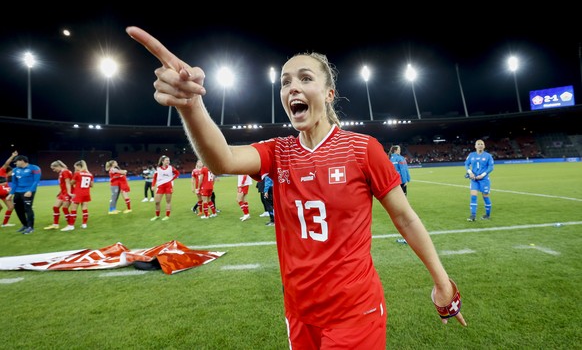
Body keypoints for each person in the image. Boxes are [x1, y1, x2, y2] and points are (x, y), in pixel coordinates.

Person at [127, 26, 466, 348]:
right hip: (299, 313)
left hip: (355, 314)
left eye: (306, 78)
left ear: (329, 93)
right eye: (285, 81)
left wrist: (441, 282)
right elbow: (223, 160)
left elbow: (405, 219)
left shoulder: (363, 149)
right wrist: (191, 105)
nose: (292, 87)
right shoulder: (279, 151)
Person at [464, 139, 494, 221]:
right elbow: (466, 164)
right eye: (478, 144)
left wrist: (482, 175)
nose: (480, 145)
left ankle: (487, 215)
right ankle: (473, 216)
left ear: (484, 146)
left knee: (485, 197)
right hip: (474, 179)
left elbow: (491, 167)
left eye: (482, 144)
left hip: (484, 180)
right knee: (473, 196)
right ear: (475, 146)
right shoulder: (471, 155)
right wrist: (470, 173)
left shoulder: (488, 156)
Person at [11, 155, 41, 235]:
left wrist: (30, 190)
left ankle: (30, 227)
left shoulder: (35, 168)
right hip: (18, 192)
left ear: (22, 161)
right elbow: (14, 183)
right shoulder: (15, 170)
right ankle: (25, 225)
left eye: (16, 161)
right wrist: (11, 194)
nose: (15, 163)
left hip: (28, 191)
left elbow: (36, 181)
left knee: (28, 208)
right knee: (18, 209)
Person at [62, 160, 94, 231]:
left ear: (79, 166)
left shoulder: (77, 173)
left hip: (78, 193)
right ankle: (84, 224)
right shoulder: (90, 174)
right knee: (84, 209)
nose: (75, 169)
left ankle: (71, 226)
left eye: (75, 167)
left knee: (73, 209)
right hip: (86, 193)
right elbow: (91, 185)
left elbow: (71, 183)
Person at [44, 160, 73, 230]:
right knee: (55, 207)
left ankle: (70, 225)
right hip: (63, 193)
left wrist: (69, 193)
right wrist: (60, 192)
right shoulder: (62, 172)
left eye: (54, 168)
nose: (54, 170)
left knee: (65, 208)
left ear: (58, 166)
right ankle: (55, 224)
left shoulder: (65, 172)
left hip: (67, 192)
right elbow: (63, 184)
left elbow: (68, 183)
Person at [150, 155, 180, 221]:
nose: (168, 161)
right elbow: (155, 177)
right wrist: (153, 185)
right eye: (167, 160)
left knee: (168, 201)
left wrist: (172, 179)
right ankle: (157, 216)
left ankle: (167, 216)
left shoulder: (171, 168)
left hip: (168, 186)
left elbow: (177, 173)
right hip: (160, 186)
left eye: (169, 160)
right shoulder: (158, 168)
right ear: (162, 161)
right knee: (157, 202)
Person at [0, 151, 18, 227]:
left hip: (4, 194)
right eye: (12, 171)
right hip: (2, 192)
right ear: (8, 170)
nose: (12, 173)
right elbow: (6, 164)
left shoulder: (6, 177)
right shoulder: (2, 171)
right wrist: (12, 156)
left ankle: (4, 223)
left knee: (11, 207)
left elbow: (5, 186)